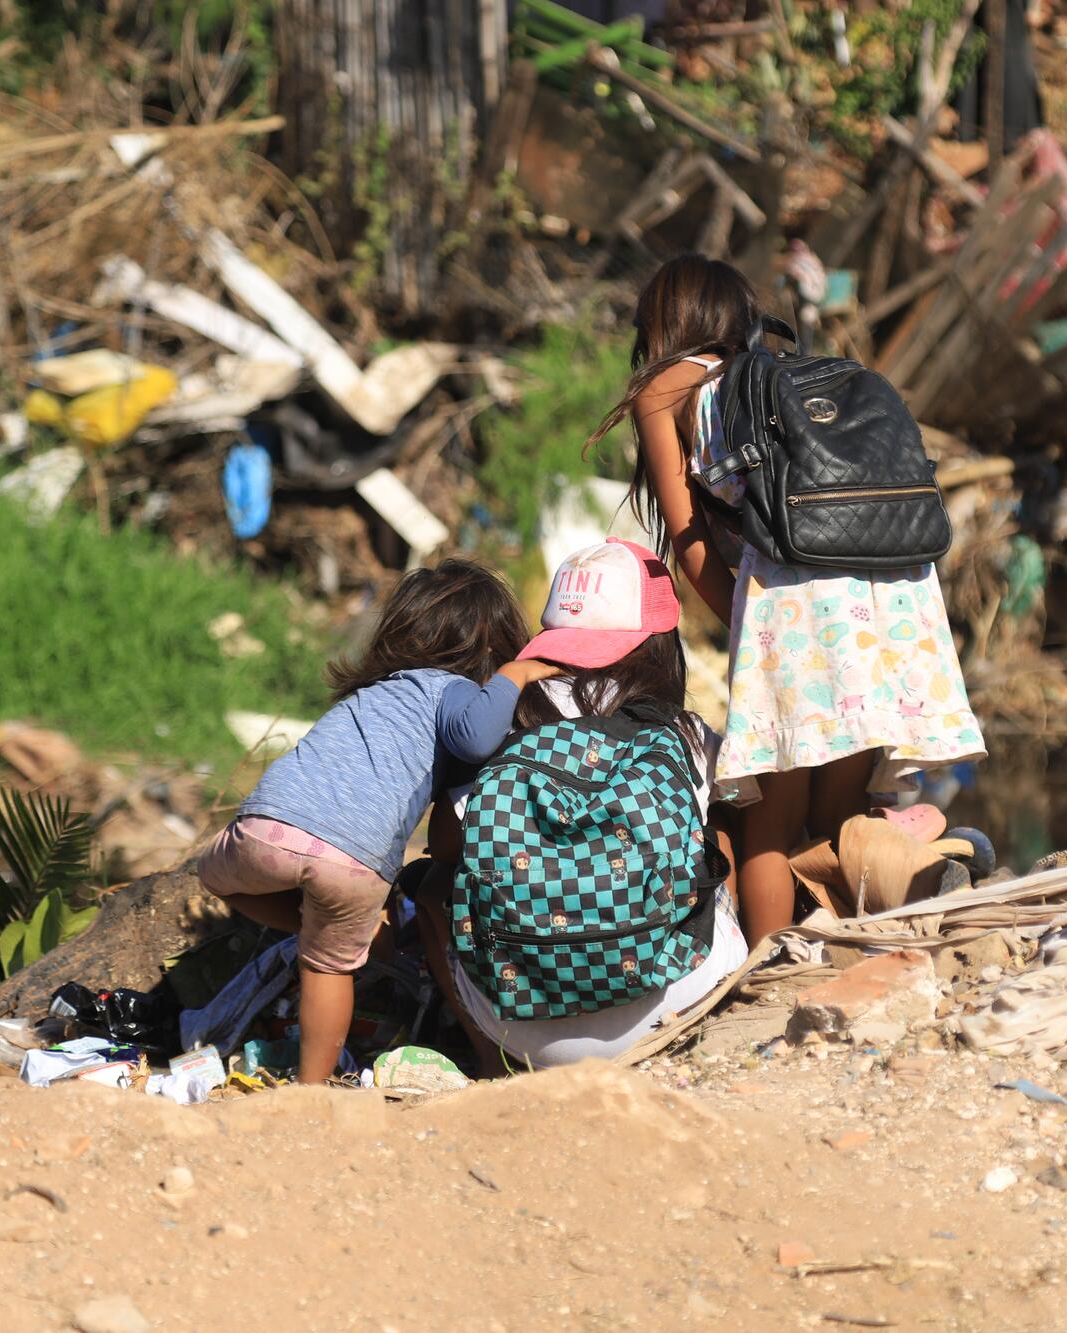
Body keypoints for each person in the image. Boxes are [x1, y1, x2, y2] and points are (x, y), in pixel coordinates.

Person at [590, 254, 986, 944]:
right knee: (839, 802)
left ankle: (766, 972)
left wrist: (747, 631)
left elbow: (689, 539)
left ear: (663, 323)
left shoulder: (665, 387)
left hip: (799, 601)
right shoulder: (775, 380)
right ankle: (860, 938)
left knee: (769, 812)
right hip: (888, 589)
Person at [198, 560, 555, 1085]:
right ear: (490, 645)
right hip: (354, 865)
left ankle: (325, 932)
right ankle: (312, 1087)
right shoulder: (450, 692)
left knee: (212, 873)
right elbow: (477, 737)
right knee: (328, 967)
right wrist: (515, 675)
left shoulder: (367, 696)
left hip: (266, 832)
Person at [416, 540, 750, 1069]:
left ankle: (492, 1068)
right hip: (675, 1001)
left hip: (521, 1026)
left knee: (434, 885)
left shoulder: (507, 720)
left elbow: (445, 845)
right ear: (657, 643)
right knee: (720, 835)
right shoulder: (681, 731)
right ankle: (725, 1014)